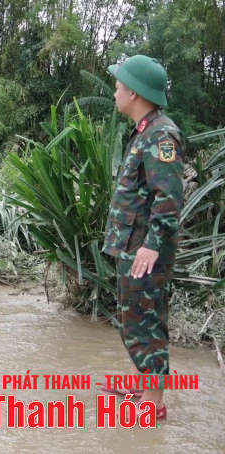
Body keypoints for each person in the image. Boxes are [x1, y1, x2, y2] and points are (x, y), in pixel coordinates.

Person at [99, 55, 183, 421]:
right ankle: (140, 385)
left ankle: (154, 403)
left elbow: (169, 197)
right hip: (132, 245)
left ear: (133, 92)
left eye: (118, 86)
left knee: (146, 321)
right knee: (133, 317)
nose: (115, 91)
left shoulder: (161, 135)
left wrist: (152, 244)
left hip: (145, 248)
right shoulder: (145, 131)